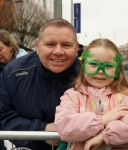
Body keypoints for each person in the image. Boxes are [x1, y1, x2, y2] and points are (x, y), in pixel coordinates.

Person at [54, 38, 128, 150]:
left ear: (117, 70)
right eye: (93, 64)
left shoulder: (124, 97)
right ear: (83, 66)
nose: (100, 71)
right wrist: (103, 120)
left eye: (108, 66)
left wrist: (103, 137)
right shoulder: (72, 96)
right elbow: (65, 127)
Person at [0, 18, 80, 150]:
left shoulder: (90, 75)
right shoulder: (12, 73)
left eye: (66, 45)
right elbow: (3, 116)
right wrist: (41, 129)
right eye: (50, 44)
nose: (58, 51)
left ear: (76, 48)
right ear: (37, 46)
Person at [0, 29, 27, 150]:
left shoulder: (26, 66)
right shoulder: (3, 68)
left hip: (23, 121)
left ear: (10, 46)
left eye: (0, 49)